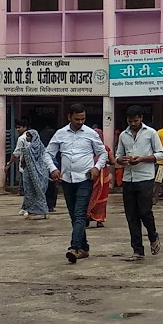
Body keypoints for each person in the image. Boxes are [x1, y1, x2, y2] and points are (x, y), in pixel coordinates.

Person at [49, 103, 107, 263]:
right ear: (69, 117)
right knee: (73, 214)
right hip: (67, 180)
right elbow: (48, 153)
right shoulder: (60, 134)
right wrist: (53, 168)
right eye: (77, 119)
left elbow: (102, 153)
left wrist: (96, 167)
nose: (80, 122)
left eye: (83, 119)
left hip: (85, 179)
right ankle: (84, 247)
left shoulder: (91, 134)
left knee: (80, 213)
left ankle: (74, 247)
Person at [117, 106, 163, 260]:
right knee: (131, 216)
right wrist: (122, 160)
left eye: (135, 121)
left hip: (145, 177)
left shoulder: (151, 133)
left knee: (145, 212)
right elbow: (118, 156)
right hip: (128, 178)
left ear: (141, 118)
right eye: (130, 121)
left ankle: (153, 235)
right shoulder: (123, 135)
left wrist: (142, 159)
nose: (133, 124)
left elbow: (160, 154)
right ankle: (137, 250)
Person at [15, 128, 55, 218]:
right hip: (41, 174)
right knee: (39, 192)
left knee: (30, 192)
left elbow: (23, 161)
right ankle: (42, 210)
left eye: (29, 136)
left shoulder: (28, 149)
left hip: (29, 174)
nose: (27, 138)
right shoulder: (42, 148)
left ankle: (32, 210)